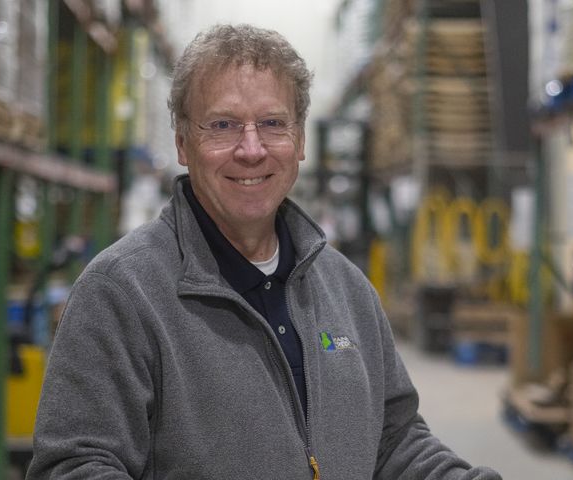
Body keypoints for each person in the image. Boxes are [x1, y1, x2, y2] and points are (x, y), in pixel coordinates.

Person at [27, 24, 502, 479]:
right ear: (182, 143)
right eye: (223, 125)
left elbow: (395, 442)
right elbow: (74, 466)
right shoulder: (122, 292)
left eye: (273, 123)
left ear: (299, 142)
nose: (251, 149)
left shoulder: (346, 288)